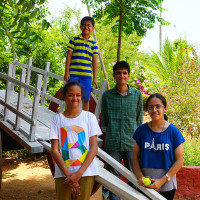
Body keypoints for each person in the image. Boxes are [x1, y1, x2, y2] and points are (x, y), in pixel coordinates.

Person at [49, 81, 102, 200]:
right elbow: (55, 150)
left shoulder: (89, 117)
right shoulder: (57, 119)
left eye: (78, 95)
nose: (75, 98)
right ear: (64, 96)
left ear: (81, 97)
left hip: (85, 173)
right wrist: (69, 176)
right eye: (71, 95)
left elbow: (94, 148)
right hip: (63, 174)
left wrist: (78, 175)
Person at [101, 61, 143, 200]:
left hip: (132, 144)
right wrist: (109, 134)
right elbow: (105, 120)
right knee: (113, 179)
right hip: (112, 143)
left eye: (124, 73)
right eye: (118, 73)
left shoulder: (137, 95)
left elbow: (139, 119)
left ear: (129, 75)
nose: (121, 76)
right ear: (114, 75)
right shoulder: (107, 96)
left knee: (133, 177)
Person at [133, 93, 185, 200]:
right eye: (150, 107)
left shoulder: (173, 131)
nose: (154, 110)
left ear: (165, 108)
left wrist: (162, 180)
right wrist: (140, 177)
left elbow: (179, 161)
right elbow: (135, 157)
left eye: (158, 106)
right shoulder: (141, 130)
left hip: (167, 186)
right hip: (145, 185)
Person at [64, 16, 98, 111]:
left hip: (86, 76)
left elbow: (94, 61)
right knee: (70, 96)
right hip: (73, 74)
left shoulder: (93, 43)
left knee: (85, 98)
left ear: (92, 28)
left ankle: (83, 120)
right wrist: (67, 72)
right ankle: (69, 116)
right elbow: (69, 56)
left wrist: (94, 77)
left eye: (89, 25)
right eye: (84, 25)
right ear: (80, 27)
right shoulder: (74, 39)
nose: (86, 27)